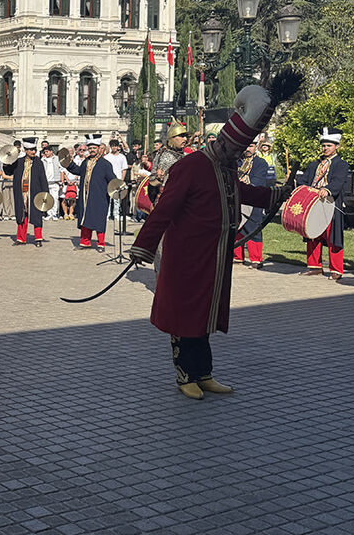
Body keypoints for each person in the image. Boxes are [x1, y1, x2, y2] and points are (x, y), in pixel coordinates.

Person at [130, 77, 298, 400]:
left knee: (203, 317)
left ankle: (204, 373)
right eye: (235, 150)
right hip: (186, 257)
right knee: (183, 317)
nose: (237, 156)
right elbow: (163, 211)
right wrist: (144, 245)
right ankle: (185, 375)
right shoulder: (191, 167)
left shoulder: (226, 167)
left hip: (214, 257)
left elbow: (242, 192)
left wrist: (277, 193)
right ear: (223, 143)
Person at [298, 127, 350, 281]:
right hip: (313, 204)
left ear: (337, 147)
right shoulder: (314, 164)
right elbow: (306, 179)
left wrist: (327, 189)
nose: (326, 148)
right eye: (324, 145)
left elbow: (338, 182)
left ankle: (336, 269)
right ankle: (314, 267)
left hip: (331, 204)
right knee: (312, 234)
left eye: (329, 145)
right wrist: (298, 179)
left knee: (332, 237)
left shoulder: (341, 164)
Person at [66, 134, 117, 251]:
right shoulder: (85, 162)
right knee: (85, 218)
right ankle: (85, 242)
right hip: (85, 196)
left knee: (99, 219)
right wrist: (68, 162)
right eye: (90, 148)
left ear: (99, 148)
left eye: (94, 148)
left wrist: (118, 188)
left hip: (100, 196)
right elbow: (78, 171)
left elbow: (112, 179)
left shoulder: (105, 164)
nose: (92, 150)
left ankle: (101, 243)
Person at [234, 142, 274, 268]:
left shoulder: (261, 163)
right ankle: (237, 256)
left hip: (254, 198)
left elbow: (258, 181)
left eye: (251, 146)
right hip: (237, 198)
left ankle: (256, 259)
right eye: (246, 145)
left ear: (256, 147)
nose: (248, 148)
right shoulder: (236, 162)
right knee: (236, 227)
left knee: (253, 227)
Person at [3, 137, 48, 247]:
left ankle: (38, 238)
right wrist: (6, 161)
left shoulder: (39, 163)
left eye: (34, 149)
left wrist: (45, 194)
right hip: (21, 194)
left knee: (37, 215)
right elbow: (8, 171)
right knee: (21, 215)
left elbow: (43, 179)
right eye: (31, 149)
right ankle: (21, 238)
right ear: (25, 150)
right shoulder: (18, 162)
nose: (33, 152)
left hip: (35, 193)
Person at [103, 139, 129, 221]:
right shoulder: (107, 157)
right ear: (110, 147)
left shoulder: (122, 157)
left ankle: (116, 214)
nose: (114, 148)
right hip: (108, 180)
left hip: (118, 179)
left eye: (115, 146)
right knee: (108, 198)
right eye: (112, 146)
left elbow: (124, 169)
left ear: (118, 147)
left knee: (117, 198)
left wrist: (122, 180)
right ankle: (107, 214)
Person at [41, 145, 62, 220]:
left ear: (51, 151)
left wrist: (61, 182)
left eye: (47, 152)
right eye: (45, 152)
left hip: (55, 182)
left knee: (55, 198)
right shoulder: (43, 160)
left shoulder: (57, 159)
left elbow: (61, 170)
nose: (46, 153)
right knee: (47, 199)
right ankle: (49, 213)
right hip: (47, 182)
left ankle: (54, 214)